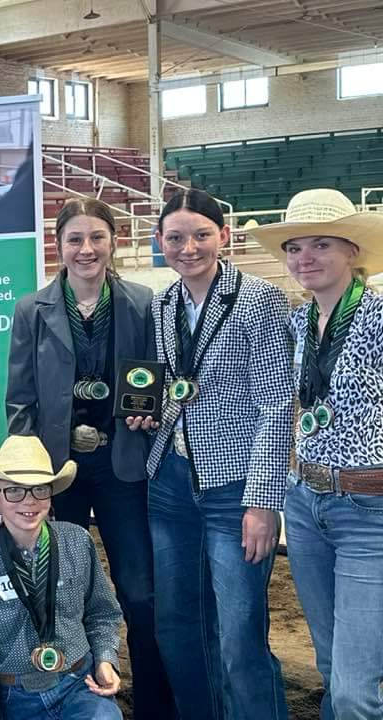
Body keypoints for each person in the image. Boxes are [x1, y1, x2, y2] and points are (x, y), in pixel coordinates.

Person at [6, 198, 174, 719]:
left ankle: (153, 704)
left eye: (97, 237)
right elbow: (20, 401)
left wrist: (152, 415)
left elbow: (159, 384)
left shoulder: (145, 303)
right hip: (57, 473)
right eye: (75, 239)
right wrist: (28, 475)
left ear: (114, 241)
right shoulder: (31, 310)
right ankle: (71, 696)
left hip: (123, 467)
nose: (86, 249)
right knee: (61, 587)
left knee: (141, 593)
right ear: (59, 245)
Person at [129, 188, 292, 719]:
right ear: (160, 243)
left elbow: (275, 404)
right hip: (171, 481)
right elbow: (170, 383)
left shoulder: (261, 300)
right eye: (175, 238)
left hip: (235, 486)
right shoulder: (163, 303)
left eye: (201, 235)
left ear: (223, 235)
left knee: (240, 631)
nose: (188, 247)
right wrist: (147, 411)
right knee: (177, 625)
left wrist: (263, 502)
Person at [251, 188, 383, 720]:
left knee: (354, 689)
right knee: (332, 671)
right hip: (305, 504)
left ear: (353, 251)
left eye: (321, 244)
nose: (304, 257)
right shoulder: (301, 323)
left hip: (366, 509)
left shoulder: (376, 316)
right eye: (294, 247)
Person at [0, 435, 123, 720]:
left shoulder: (78, 541)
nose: (29, 501)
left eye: (40, 490)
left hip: (78, 685)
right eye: (14, 491)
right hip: (17, 697)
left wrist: (106, 659)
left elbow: (102, 613)